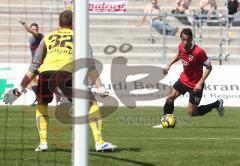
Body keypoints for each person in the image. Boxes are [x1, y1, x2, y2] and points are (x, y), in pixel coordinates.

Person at [4, 10, 117, 152]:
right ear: (75, 24)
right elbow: (90, 65)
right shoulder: (80, 37)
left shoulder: (48, 37)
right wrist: (100, 88)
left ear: (59, 23)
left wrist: (19, 89)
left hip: (45, 74)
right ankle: (99, 142)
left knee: (42, 103)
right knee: (91, 102)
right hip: (67, 74)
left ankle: (43, 143)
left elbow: (34, 66)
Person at [153, 28, 224, 128]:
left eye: (187, 39)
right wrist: (169, 65)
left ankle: (216, 104)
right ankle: (166, 121)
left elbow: (209, 67)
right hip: (183, 80)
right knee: (169, 98)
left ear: (191, 39)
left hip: (195, 85)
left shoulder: (199, 52)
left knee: (192, 113)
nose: (185, 42)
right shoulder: (181, 46)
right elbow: (179, 55)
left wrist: (200, 82)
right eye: (183, 39)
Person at [16, 19, 44, 106]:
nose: (34, 31)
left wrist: (23, 23)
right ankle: (38, 97)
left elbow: (33, 33)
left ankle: (41, 97)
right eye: (33, 29)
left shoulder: (40, 36)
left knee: (46, 83)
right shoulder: (31, 39)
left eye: (36, 29)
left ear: (38, 30)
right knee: (29, 83)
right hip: (34, 64)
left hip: (43, 63)